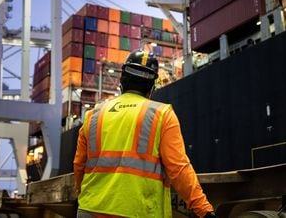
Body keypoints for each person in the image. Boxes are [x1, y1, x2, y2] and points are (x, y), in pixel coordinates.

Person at [73, 50, 215, 218]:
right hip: (137, 211)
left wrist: (86, 196)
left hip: (90, 209)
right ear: (151, 87)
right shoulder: (162, 115)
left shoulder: (94, 115)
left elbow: (79, 165)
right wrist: (204, 210)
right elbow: (179, 169)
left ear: (122, 81)